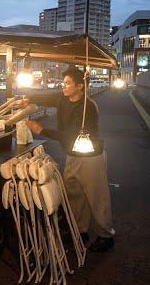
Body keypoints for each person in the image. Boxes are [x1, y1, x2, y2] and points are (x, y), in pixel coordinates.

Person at [22, 67, 115, 252]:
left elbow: (71, 135)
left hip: (90, 157)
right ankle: (80, 231)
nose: (63, 86)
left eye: (67, 83)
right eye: (63, 83)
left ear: (80, 86)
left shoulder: (88, 107)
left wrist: (42, 130)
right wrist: (29, 99)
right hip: (72, 155)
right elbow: (49, 98)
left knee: (97, 197)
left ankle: (106, 235)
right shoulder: (64, 99)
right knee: (74, 194)